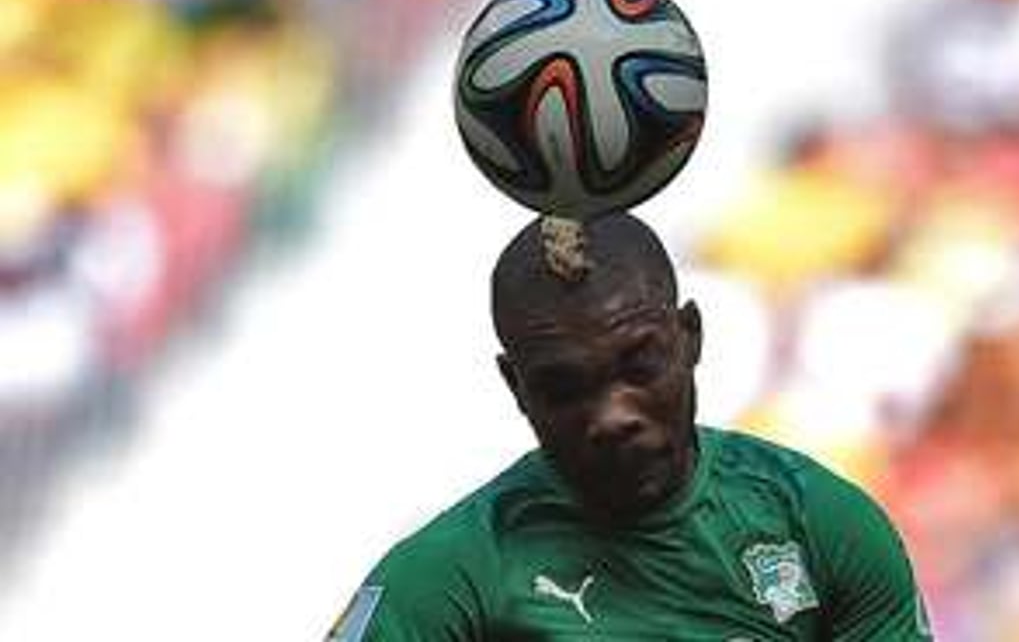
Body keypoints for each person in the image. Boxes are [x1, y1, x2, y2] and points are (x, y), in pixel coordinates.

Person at [328, 213, 933, 640]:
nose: (612, 416)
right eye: (564, 388)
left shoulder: (821, 525)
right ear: (517, 388)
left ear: (689, 337)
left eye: (639, 366)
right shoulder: (454, 575)